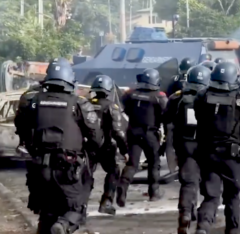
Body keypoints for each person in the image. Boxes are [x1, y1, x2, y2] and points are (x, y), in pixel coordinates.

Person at [20, 58, 103, 234]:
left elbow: (22, 127)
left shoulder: (32, 101)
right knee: (75, 209)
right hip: (67, 167)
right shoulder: (79, 103)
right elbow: (96, 136)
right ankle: (63, 225)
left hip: (39, 166)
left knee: (47, 213)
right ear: (69, 79)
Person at [193, 62, 240, 234]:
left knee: (211, 196)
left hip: (208, 153)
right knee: (232, 196)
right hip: (232, 155)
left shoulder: (203, 95)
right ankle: (232, 229)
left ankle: (202, 228)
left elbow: (199, 117)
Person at [164, 65, 211, 234]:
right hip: (205, 145)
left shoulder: (177, 97)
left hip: (184, 144)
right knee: (208, 183)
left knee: (188, 182)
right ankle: (203, 218)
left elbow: (167, 120)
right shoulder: (210, 97)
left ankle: (184, 214)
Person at [116, 68, 168, 206]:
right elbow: (166, 116)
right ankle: (154, 193)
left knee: (132, 164)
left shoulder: (130, 94)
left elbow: (125, 108)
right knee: (154, 163)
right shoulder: (159, 96)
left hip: (133, 131)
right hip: (150, 133)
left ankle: (122, 190)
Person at [89, 75, 128, 215]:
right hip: (106, 147)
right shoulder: (112, 107)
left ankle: (80, 204)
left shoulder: (85, 104)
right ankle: (106, 202)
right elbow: (118, 132)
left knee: (86, 174)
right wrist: (125, 150)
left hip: (89, 146)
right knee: (113, 171)